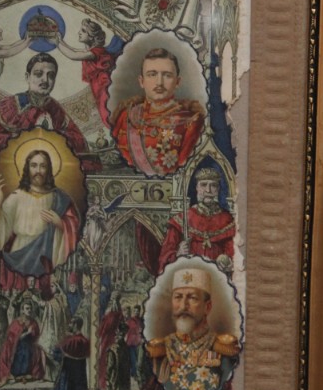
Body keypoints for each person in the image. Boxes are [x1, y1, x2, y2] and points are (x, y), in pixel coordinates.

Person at [0, 53, 91, 173]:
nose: (45, 80)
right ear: (27, 77)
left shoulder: (55, 109)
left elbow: (79, 143)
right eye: (38, 74)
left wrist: (53, 136)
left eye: (51, 75)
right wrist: (18, 139)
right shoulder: (7, 108)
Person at [146, 267, 240, 390]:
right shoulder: (161, 349)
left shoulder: (223, 349)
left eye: (192, 298)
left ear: (207, 307)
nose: (183, 306)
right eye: (178, 297)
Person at [0, 149, 81, 293]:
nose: (38, 171)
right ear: (27, 168)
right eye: (34, 165)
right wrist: (0, 198)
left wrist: (60, 223)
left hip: (47, 253)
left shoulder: (58, 197)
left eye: (43, 166)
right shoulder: (16, 196)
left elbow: (74, 226)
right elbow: (1, 224)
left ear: (49, 169)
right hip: (20, 253)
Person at [111, 48, 205, 176]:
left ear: (177, 82)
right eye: (152, 74)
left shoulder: (191, 121)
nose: (159, 82)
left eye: (167, 75)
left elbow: (184, 172)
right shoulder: (126, 116)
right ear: (141, 81)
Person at [158, 167, 236, 273]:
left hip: (218, 275)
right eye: (203, 185)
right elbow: (165, 256)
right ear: (197, 188)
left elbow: (234, 252)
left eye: (213, 185)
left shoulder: (227, 220)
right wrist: (178, 254)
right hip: (188, 274)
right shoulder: (182, 218)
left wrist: (229, 262)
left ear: (218, 189)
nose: (208, 190)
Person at [55, 19, 124, 129]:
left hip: (103, 86)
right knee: (106, 115)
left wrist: (56, 43)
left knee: (107, 115)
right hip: (98, 86)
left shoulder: (96, 52)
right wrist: (60, 40)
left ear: (91, 36)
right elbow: (74, 50)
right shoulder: (91, 51)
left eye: (83, 31)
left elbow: (73, 55)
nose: (79, 32)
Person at [0, 297, 44, 390]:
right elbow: (13, 338)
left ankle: (26, 375)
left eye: (30, 308)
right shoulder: (17, 322)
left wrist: (33, 334)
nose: (29, 310)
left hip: (29, 349)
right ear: (22, 310)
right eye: (27, 308)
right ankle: (17, 375)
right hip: (17, 349)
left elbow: (36, 337)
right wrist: (27, 333)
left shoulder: (33, 322)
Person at [52, 316, 91, 390]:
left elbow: (56, 352)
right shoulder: (86, 341)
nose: (69, 325)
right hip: (80, 378)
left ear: (75, 325)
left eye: (70, 323)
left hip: (67, 377)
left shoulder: (70, 340)